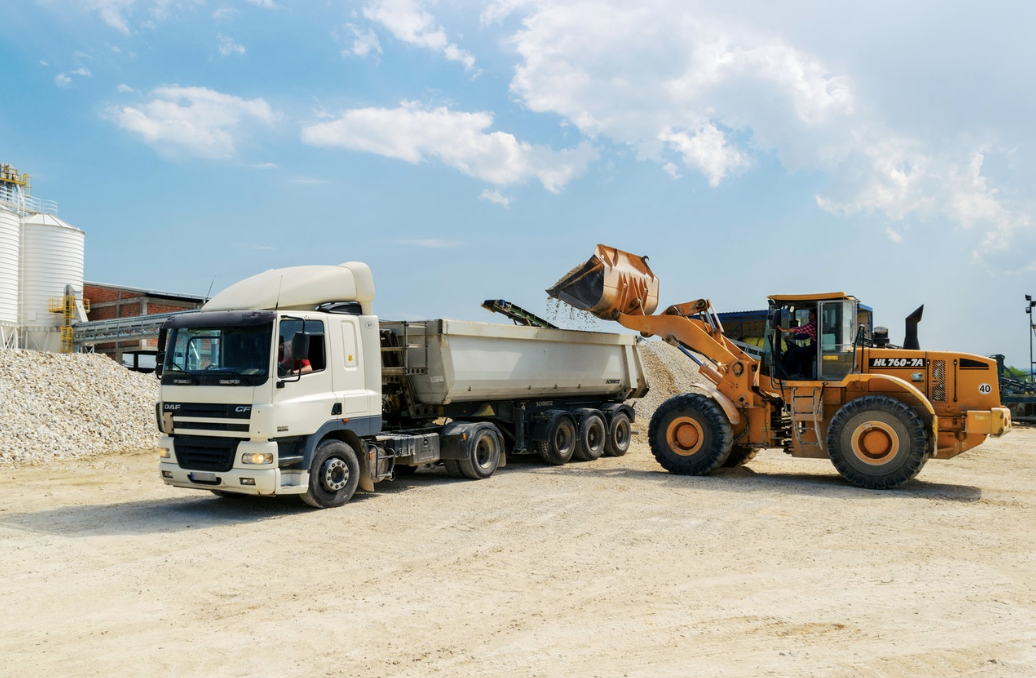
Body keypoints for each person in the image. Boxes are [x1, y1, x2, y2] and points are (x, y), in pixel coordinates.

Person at [777, 309, 817, 377]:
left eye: (810, 315)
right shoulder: (817, 324)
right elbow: (805, 335)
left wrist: (783, 329)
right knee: (797, 351)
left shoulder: (812, 325)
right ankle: (799, 372)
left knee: (794, 352)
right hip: (816, 347)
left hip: (815, 348)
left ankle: (789, 373)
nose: (808, 317)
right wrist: (792, 337)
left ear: (813, 315)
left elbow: (799, 329)